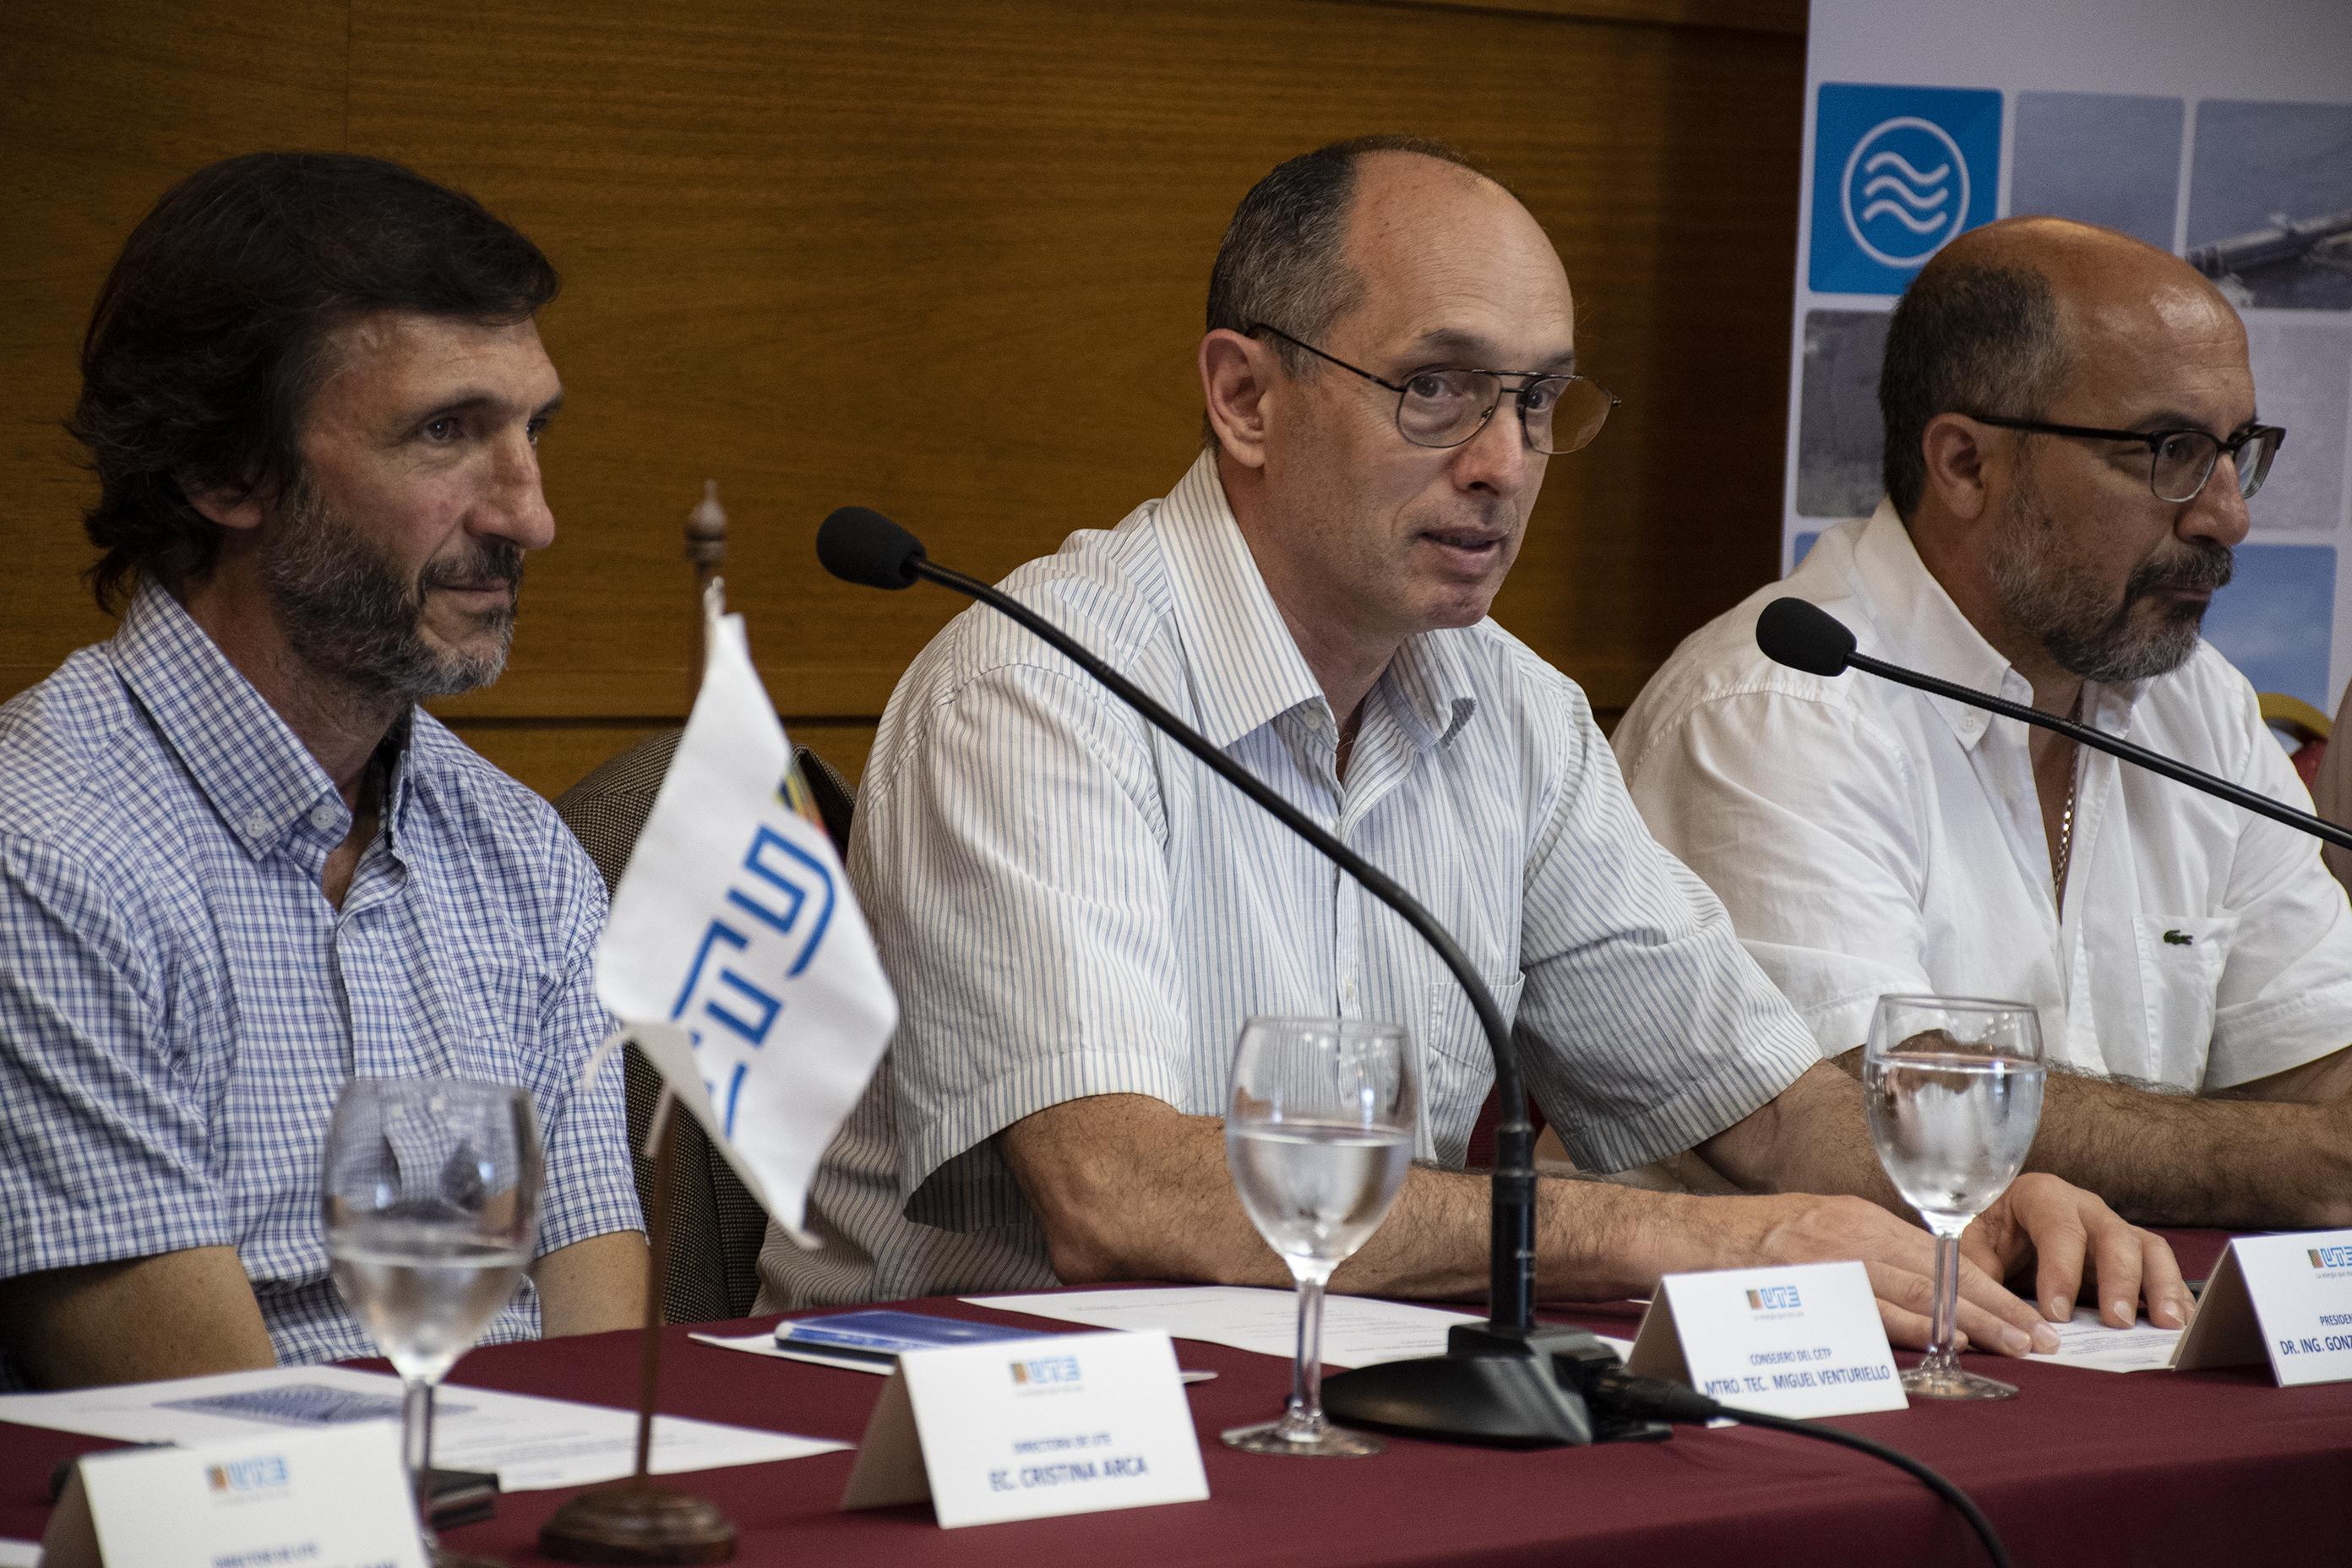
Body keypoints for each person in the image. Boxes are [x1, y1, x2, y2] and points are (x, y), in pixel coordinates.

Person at [762, 141, 2186, 1348]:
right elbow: (1120, 1198)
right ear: (1244, 397)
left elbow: (1752, 1103)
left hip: (1335, 1401)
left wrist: (1952, 1192)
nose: (1501, 461)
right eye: (1435, 388)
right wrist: (1677, 1242)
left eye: (1533, 400)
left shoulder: (1507, 710)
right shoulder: (1034, 686)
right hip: (957, 1427)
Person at [0, 153, 647, 1391]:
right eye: (448, 432)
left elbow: (604, 1377)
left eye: (533, 432)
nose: (529, 516)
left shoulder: (523, 853)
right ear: (226, 471)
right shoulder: (43, 852)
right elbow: (205, 1427)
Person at [1614, 216, 2352, 1232]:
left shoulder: (2198, 705)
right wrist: (2278, 1160)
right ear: (1964, 463)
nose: (2226, 515)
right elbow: (1880, 1116)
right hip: (1811, 1357)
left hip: (2101, 1335)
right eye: (2171, 451)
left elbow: (2313, 1063)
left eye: (2236, 453)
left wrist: (2316, 1140)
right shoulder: (1775, 710)